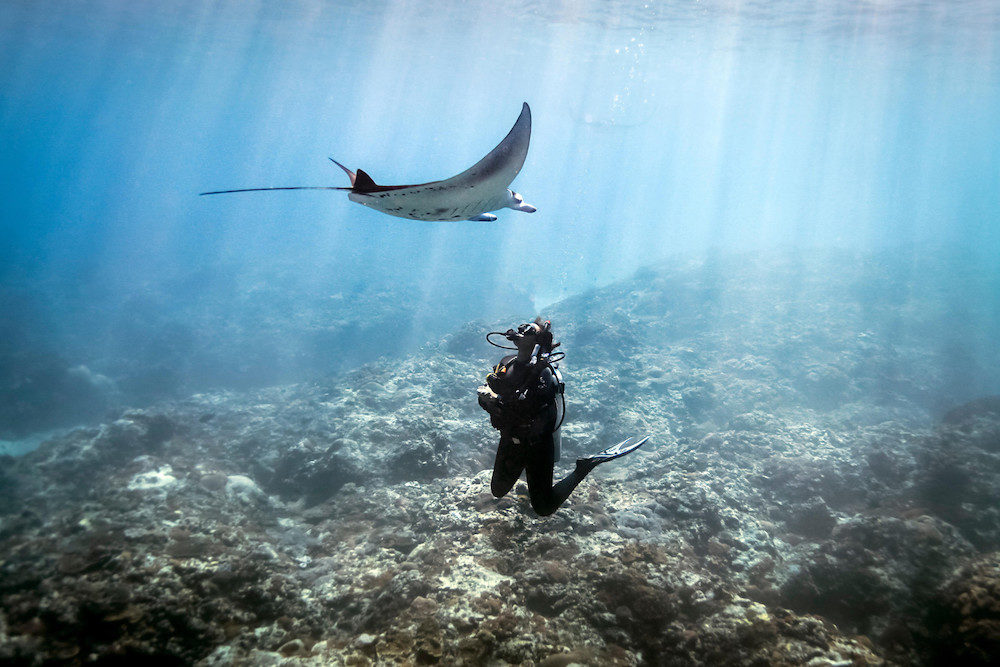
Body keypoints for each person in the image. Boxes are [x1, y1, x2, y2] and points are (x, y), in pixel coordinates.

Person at [477, 318, 648, 515]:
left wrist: (498, 401)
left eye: (530, 330)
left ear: (537, 341)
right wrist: (487, 401)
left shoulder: (544, 374)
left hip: (537, 447)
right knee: (497, 491)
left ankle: (584, 468)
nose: (522, 331)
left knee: (543, 507)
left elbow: (532, 411)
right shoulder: (506, 363)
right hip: (510, 440)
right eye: (522, 327)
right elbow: (490, 396)